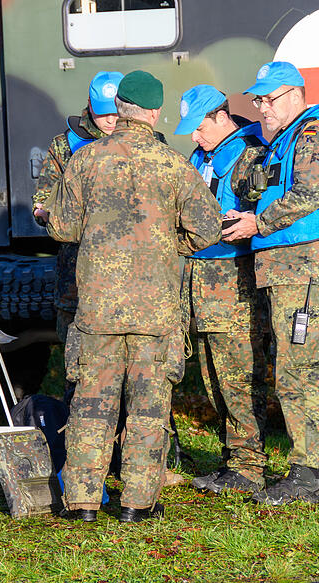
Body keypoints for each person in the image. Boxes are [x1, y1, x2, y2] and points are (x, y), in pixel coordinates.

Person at [42, 70, 222, 523]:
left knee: (90, 405)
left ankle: (82, 502)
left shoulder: (84, 162)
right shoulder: (173, 164)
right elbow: (209, 227)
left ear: (118, 108)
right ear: (156, 112)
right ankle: (139, 503)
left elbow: (61, 227)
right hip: (155, 312)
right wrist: (165, 245)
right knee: (147, 407)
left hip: (97, 309)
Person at [224, 61, 319, 505]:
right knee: (307, 368)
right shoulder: (283, 141)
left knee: (296, 372)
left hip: (302, 271)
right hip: (289, 270)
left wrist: (258, 222)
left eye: (268, 99)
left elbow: (309, 194)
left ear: (295, 95)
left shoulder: (312, 137)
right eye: (257, 100)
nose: (261, 108)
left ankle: (305, 473)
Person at [173, 84, 270, 494]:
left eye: (198, 127)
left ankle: (249, 466)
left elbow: (250, 215)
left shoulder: (250, 156)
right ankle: (233, 461)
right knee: (214, 378)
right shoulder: (203, 155)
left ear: (219, 116)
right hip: (201, 283)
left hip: (232, 283)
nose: (193, 137)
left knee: (239, 377)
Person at [32, 71, 123, 348]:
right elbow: (43, 202)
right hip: (78, 279)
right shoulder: (65, 146)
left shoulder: (146, 144)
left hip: (130, 279)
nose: (110, 120)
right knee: (77, 361)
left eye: (117, 112)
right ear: (89, 106)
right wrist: (49, 214)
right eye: (103, 113)